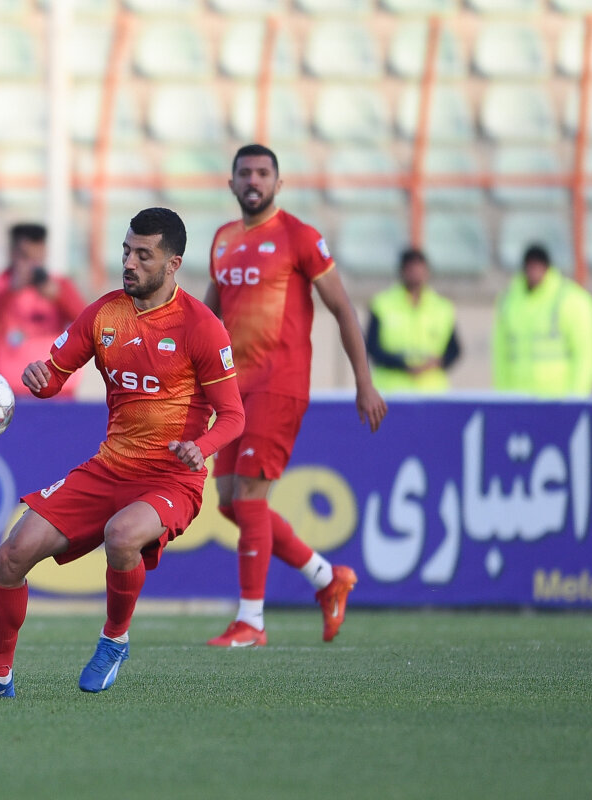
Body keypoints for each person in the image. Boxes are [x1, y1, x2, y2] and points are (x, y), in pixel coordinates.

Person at [0, 207, 245, 699]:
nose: (129, 263)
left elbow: (233, 416)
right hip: (108, 468)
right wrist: (40, 378)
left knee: (122, 535)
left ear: (173, 264)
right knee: (10, 556)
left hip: (171, 477)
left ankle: (114, 640)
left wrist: (201, 447)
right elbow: (54, 376)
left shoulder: (201, 326)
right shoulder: (105, 313)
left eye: (143, 255)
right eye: (126, 251)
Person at [204, 143, 388, 648]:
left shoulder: (299, 236)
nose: (253, 180)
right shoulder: (222, 239)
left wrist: (364, 381)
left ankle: (251, 622)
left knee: (249, 497)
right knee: (230, 503)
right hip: (233, 389)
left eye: (263, 173)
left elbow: (343, 308)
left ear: (278, 184)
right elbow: (209, 316)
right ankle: (327, 578)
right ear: (232, 183)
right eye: (245, 172)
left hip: (279, 383)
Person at [0, 223, 87, 397]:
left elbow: (87, 322)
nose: (33, 265)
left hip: (56, 389)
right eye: (26, 257)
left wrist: (60, 297)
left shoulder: (59, 286)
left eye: (38, 258)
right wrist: (9, 292)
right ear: (12, 254)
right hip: (6, 390)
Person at [492, 243, 592, 397]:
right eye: (530, 267)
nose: (534, 272)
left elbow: (586, 353)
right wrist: (503, 395)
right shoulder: (508, 301)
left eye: (538, 266)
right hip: (518, 396)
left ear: (547, 268)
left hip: (558, 398)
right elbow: (501, 352)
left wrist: (576, 397)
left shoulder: (571, 300)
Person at [365, 247, 461, 393]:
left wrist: (436, 363)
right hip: (392, 391)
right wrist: (404, 366)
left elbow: (454, 350)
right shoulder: (382, 304)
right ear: (402, 271)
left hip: (432, 391)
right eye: (411, 270)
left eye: (420, 270)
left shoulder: (442, 307)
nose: (416, 275)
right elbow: (372, 348)